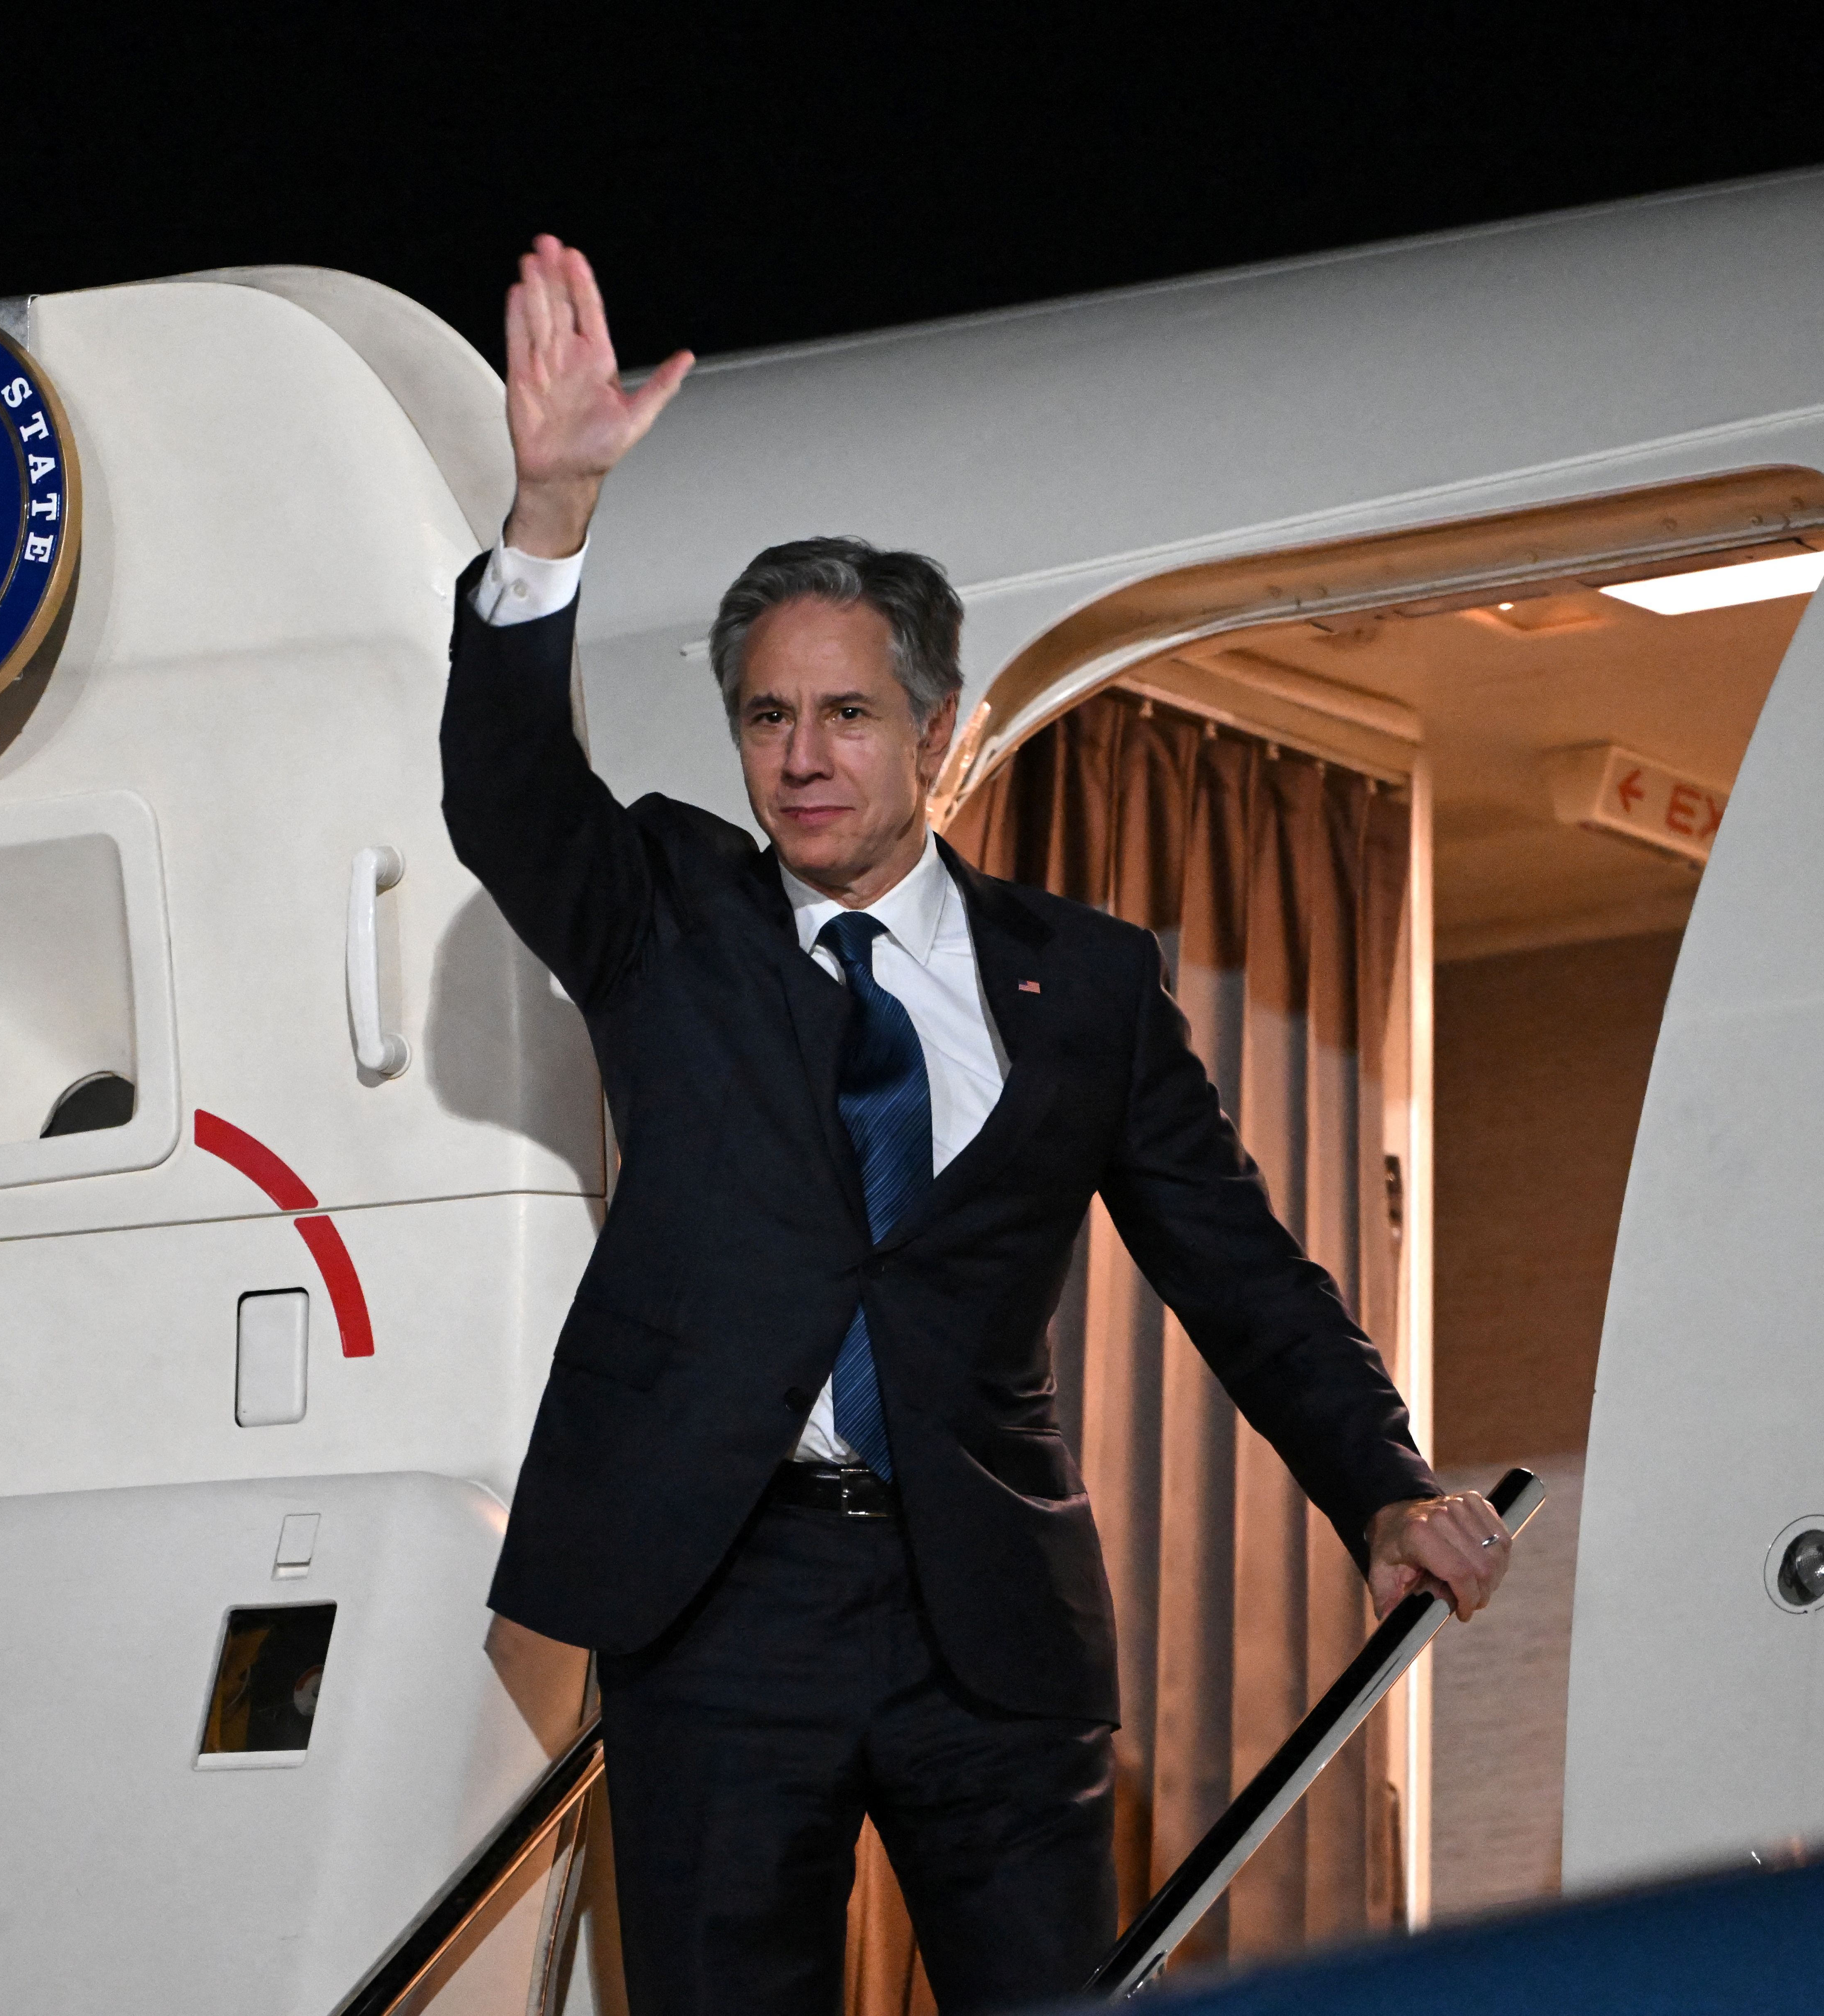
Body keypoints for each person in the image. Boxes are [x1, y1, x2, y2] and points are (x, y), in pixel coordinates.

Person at [441, 237, 1513, 2016]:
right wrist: (548, 507)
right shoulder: (666, 915)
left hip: (986, 1616)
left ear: (935, 732)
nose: (800, 757)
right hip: (719, 1606)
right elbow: (501, 791)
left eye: (845, 714)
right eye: (766, 718)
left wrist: (1380, 1483)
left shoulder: (1078, 983)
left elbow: (1231, 1260)